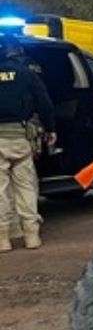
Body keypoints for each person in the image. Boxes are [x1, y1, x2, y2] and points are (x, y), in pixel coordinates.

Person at [0, 35, 56, 252]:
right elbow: (44, 101)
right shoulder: (25, 73)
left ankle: (3, 240)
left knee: (1, 192)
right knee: (26, 188)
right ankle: (31, 237)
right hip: (21, 137)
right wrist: (50, 129)